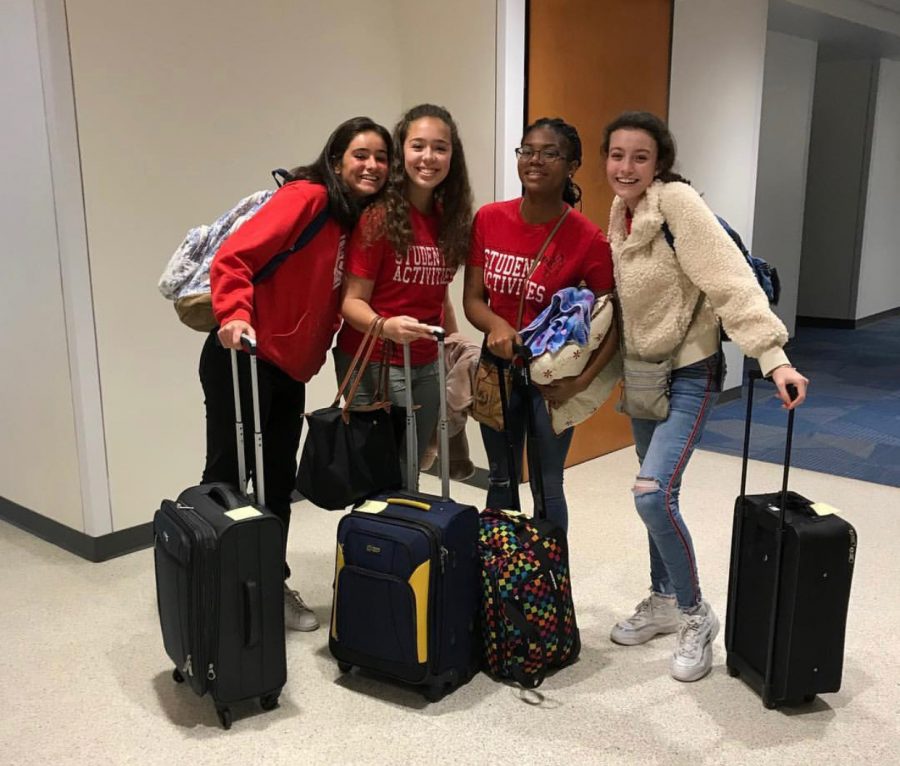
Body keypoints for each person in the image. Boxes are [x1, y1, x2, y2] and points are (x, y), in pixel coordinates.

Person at [601, 110, 809, 681]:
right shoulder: (620, 213)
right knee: (660, 493)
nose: (626, 166)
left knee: (651, 493)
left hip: (690, 372)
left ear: (659, 162)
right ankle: (663, 599)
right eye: (617, 155)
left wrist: (773, 357)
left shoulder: (677, 205)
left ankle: (695, 614)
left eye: (640, 156)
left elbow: (729, 280)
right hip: (643, 373)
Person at [204, 116, 391, 631]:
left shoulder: (355, 220)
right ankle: (213, 585)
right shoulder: (306, 199)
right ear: (336, 160)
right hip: (242, 355)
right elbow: (233, 258)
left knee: (276, 481)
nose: (371, 165)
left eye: (380, 157)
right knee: (227, 475)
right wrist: (236, 313)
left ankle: (268, 583)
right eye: (360, 154)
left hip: (288, 369)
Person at [463, 117, 617, 533]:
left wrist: (582, 382)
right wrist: (496, 326)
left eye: (550, 153)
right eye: (527, 150)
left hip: (550, 382)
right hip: (497, 373)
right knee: (500, 479)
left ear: (572, 165)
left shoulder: (588, 239)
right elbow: (473, 299)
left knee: (548, 486)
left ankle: (548, 588)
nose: (535, 160)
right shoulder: (489, 219)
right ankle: (500, 580)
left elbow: (612, 321)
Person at [336, 104, 473, 485]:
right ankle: (369, 543)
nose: (428, 157)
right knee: (379, 475)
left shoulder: (449, 217)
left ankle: (401, 541)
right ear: (401, 153)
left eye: (440, 148)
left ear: (452, 156)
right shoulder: (379, 217)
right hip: (374, 360)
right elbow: (350, 302)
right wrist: (385, 326)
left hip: (426, 361)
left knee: (410, 470)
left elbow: (438, 294)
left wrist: (453, 344)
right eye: (418, 146)